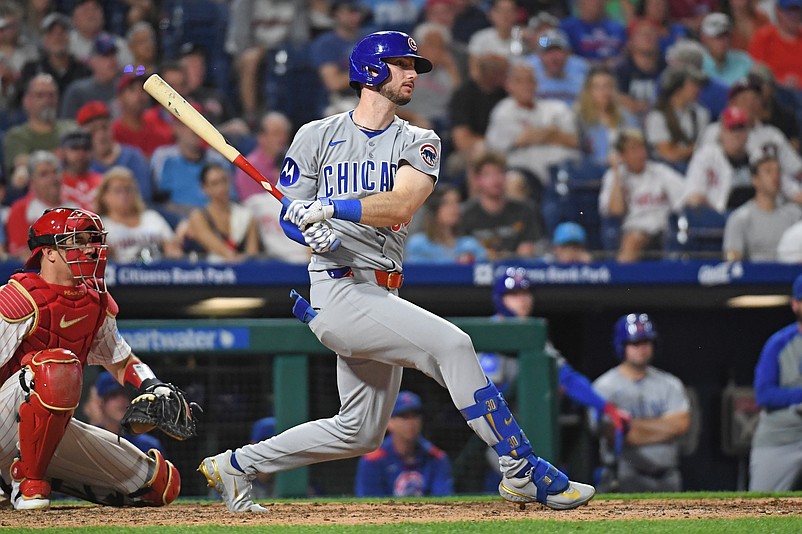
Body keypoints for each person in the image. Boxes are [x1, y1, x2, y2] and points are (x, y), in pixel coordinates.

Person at [199, 30, 595, 513]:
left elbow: (401, 203)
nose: (412, 74)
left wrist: (330, 210)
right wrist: (309, 233)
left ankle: (236, 465)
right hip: (339, 291)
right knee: (454, 345)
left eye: (414, 66)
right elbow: (290, 215)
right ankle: (521, 469)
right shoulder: (315, 135)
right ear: (370, 70)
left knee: (360, 431)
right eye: (403, 64)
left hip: (380, 293)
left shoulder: (419, 139)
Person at [0, 207, 188, 509]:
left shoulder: (94, 300)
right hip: (4, 419)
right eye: (78, 241)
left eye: (93, 240)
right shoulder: (18, 296)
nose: (90, 249)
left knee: (160, 485)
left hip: (41, 433)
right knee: (55, 365)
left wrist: (153, 385)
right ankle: (27, 483)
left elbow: (120, 360)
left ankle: (18, 474)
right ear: (48, 252)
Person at [592, 313, 691, 493]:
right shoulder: (604, 386)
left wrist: (634, 427)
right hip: (623, 476)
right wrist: (663, 426)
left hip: (668, 477)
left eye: (646, 342)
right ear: (622, 346)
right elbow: (614, 434)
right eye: (635, 343)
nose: (642, 348)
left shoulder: (670, 383)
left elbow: (681, 425)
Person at [484, 60, 581, 195]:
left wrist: (534, 135)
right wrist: (551, 132)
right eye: (519, 81)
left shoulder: (556, 108)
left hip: (562, 170)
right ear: (509, 85)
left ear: (537, 84)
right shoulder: (504, 110)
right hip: (525, 172)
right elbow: (520, 139)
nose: (526, 86)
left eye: (530, 81)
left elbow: (574, 141)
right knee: (513, 182)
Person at [598, 128, 685, 262]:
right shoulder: (613, 176)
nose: (640, 154)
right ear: (622, 155)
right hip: (632, 229)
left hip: (663, 228)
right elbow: (616, 210)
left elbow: (686, 198)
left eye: (641, 148)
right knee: (632, 240)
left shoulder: (660, 171)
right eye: (633, 150)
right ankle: (620, 280)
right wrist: (616, 172)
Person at [749, 273, 802, 490]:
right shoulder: (779, 343)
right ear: (795, 304)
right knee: (760, 507)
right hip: (782, 436)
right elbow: (764, 394)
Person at [354, 391, 454, 497]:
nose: (411, 422)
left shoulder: (436, 457)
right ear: (388, 422)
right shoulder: (373, 460)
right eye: (403, 416)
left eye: (415, 415)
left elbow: (443, 500)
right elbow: (369, 504)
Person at [460, 151, 546, 260]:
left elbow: (533, 247)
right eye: (488, 175)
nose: (495, 180)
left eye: (500, 173)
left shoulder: (525, 210)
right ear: (477, 180)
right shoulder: (465, 214)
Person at [722, 147, 802, 261]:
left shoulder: (795, 215)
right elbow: (732, 263)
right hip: (756, 278)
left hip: (791, 277)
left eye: (777, 171)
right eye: (768, 171)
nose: (775, 176)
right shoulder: (741, 218)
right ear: (755, 179)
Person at [95, 166, 183, 264]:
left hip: (158, 272)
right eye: (118, 191)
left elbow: (172, 247)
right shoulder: (101, 226)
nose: (124, 195)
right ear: (104, 196)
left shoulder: (152, 217)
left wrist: (173, 252)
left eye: (128, 190)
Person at [181, 163, 260, 263]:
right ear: (204, 188)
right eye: (215, 183)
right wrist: (236, 257)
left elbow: (252, 255)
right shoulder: (198, 217)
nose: (222, 187)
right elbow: (220, 249)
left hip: (241, 272)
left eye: (224, 181)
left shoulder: (246, 216)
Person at [683, 105, 752, 214]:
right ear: (722, 132)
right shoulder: (706, 157)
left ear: (748, 131)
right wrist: (718, 216)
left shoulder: (757, 158)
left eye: (741, 128)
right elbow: (693, 197)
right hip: (717, 219)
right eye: (732, 128)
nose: (737, 134)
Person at [83, 371, 165, 455]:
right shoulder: (87, 440)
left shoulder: (147, 446)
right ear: (101, 403)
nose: (122, 401)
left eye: (125, 394)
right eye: (114, 395)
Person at [405, 184, 488, 263]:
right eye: (447, 203)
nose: (454, 208)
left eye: (457, 202)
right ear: (434, 208)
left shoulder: (470, 245)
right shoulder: (419, 244)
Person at [5, 150, 64, 260]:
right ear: (32, 181)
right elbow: (20, 253)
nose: (52, 178)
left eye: (55, 172)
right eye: (44, 174)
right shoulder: (20, 210)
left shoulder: (74, 206)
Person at [699, 13, 753, 86]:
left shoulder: (743, 61)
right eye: (717, 36)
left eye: (726, 35)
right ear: (704, 38)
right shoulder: (698, 64)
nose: (723, 41)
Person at [58, 128, 103, 212]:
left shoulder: (101, 182)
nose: (81, 153)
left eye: (85, 149)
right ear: (61, 152)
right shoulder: (54, 183)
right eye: (74, 148)